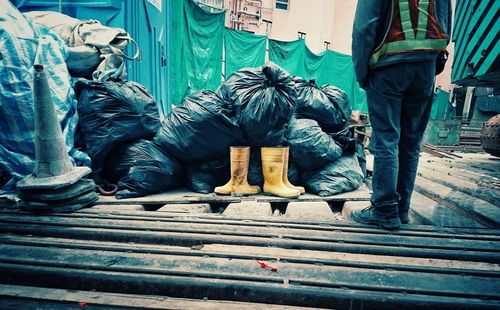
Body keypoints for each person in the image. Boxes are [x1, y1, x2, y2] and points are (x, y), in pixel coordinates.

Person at [351, 0, 452, 229]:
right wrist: (432, 63)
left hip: (388, 68)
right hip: (424, 69)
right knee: (411, 143)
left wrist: (362, 73)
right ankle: (401, 209)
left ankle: (385, 210)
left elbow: (364, 30)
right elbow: (446, 23)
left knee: (387, 139)